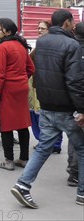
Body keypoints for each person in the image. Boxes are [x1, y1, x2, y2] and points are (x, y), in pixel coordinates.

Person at [11, 9, 84, 209]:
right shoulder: (72, 45)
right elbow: (75, 81)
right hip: (66, 108)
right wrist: (81, 108)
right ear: (67, 23)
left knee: (43, 147)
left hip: (46, 105)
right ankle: (82, 194)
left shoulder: (41, 42)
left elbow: (37, 70)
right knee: (82, 148)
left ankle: (23, 185)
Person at [0, 18, 34, 171]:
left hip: (7, 89)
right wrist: (21, 79)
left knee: (6, 125)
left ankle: (8, 161)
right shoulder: (21, 45)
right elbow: (31, 68)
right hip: (21, 88)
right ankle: (23, 159)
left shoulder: (2, 48)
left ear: (7, 32)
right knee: (22, 124)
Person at [29, 21, 63, 153]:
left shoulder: (54, 45)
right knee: (38, 115)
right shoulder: (39, 44)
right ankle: (46, 142)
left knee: (49, 116)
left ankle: (53, 144)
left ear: (49, 30)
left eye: (42, 28)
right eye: (38, 28)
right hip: (37, 85)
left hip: (50, 86)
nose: (39, 30)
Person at [66, 21, 84, 187]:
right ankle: (76, 173)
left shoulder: (69, 48)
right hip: (80, 101)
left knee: (74, 136)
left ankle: (73, 170)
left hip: (69, 100)